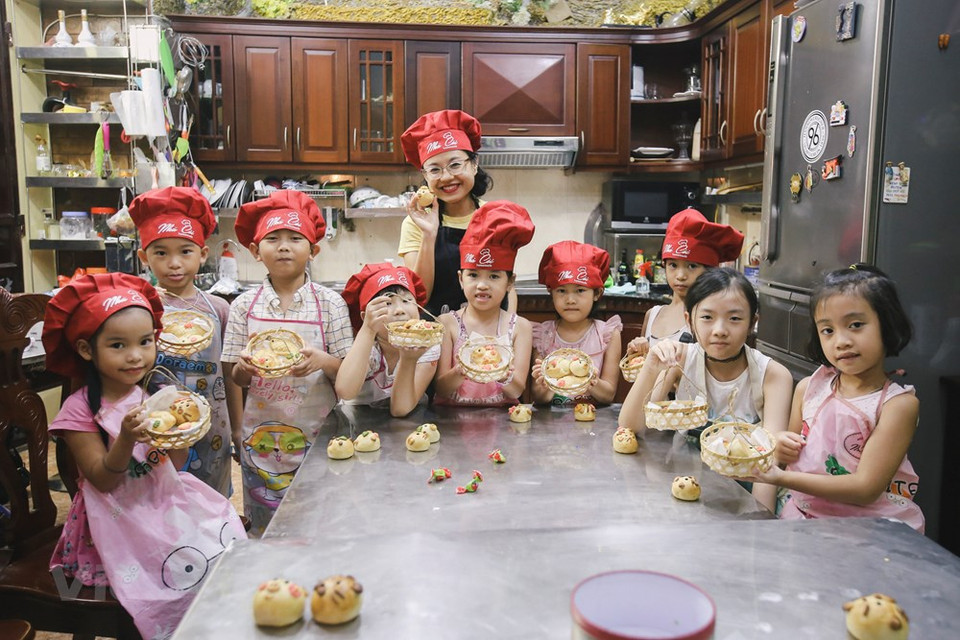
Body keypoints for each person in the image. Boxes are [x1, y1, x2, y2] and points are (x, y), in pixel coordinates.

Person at [42, 273, 246, 640]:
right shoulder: (79, 412)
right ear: (87, 350)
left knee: (224, 555)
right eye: (118, 345)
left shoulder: (159, 393)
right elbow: (102, 480)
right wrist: (125, 439)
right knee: (160, 588)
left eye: (145, 341)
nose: (135, 355)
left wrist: (178, 434)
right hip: (114, 521)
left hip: (162, 502)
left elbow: (177, 463)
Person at [747, 265, 924, 531]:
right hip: (803, 521)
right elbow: (785, 453)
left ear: (887, 325)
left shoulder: (897, 405)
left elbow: (865, 488)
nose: (841, 341)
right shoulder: (808, 389)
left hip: (869, 531)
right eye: (827, 330)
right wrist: (779, 446)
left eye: (855, 325)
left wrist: (781, 477)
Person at [221, 190, 353, 535]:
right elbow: (232, 374)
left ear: (313, 250)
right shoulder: (243, 306)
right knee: (268, 528)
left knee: (320, 522)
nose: (284, 246)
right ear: (255, 251)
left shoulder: (330, 304)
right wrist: (243, 378)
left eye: (295, 239)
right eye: (273, 238)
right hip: (261, 438)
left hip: (320, 435)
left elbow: (348, 373)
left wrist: (322, 360)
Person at [619, 268, 793, 511]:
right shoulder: (681, 359)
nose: (719, 330)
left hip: (744, 497)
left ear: (753, 322)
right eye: (707, 317)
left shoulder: (773, 376)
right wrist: (651, 367)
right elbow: (631, 426)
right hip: (683, 489)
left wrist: (759, 520)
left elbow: (769, 462)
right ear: (689, 320)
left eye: (734, 318)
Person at [130, 186, 238, 496]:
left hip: (213, 428)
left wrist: (236, 425)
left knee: (211, 502)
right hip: (156, 429)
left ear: (203, 254)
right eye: (161, 252)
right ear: (144, 257)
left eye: (185, 251)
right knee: (161, 501)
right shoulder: (140, 308)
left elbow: (230, 374)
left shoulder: (218, 309)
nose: (174, 262)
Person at [399, 109, 517, 315]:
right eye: (435, 169)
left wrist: (508, 330)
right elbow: (418, 296)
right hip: (435, 335)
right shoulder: (415, 223)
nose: (446, 177)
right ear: (425, 176)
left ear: (474, 164)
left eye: (455, 165)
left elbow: (507, 286)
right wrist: (429, 234)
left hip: (488, 337)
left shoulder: (496, 216)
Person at [434, 200, 534, 406]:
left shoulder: (520, 328)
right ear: (461, 279)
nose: (482, 285)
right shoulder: (447, 323)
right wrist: (463, 370)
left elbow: (517, 389)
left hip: (503, 422)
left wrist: (499, 371)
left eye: (494, 277)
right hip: (451, 420)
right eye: (473, 275)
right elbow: (441, 388)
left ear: (510, 282)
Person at [626, 208, 743, 357]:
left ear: (709, 269)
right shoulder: (653, 314)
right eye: (673, 265)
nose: (680, 276)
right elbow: (642, 369)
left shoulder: (709, 319)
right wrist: (635, 353)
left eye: (692, 266)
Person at [336, 262, 440, 416]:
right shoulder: (368, 346)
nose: (399, 310)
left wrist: (408, 360)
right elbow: (345, 392)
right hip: (358, 419)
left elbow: (400, 409)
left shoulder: (427, 345)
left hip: (408, 423)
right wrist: (368, 329)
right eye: (387, 303)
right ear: (366, 317)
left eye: (406, 301)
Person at [530, 241, 622, 405]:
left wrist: (590, 379)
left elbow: (608, 395)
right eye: (561, 291)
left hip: (594, 422)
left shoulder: (607, 334)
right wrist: (546, 384)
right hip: (552, 424)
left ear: (597, 293)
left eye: (580, 290)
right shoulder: (542, 335)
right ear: (551, 293)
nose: (570, 300)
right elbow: (539, 399)